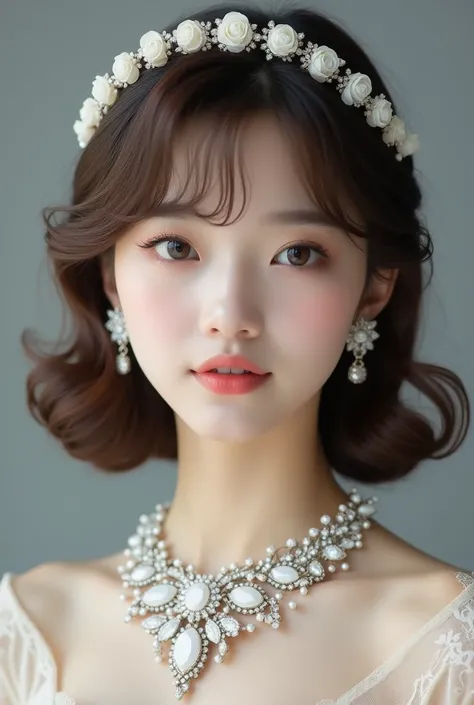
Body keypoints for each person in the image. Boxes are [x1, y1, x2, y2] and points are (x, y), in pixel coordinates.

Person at [1, 4, 473, 704]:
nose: (231, 316)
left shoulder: (443, 648)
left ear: (374, 286)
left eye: (298, 253)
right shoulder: (25, 634)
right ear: (109, 276)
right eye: (177, 246)